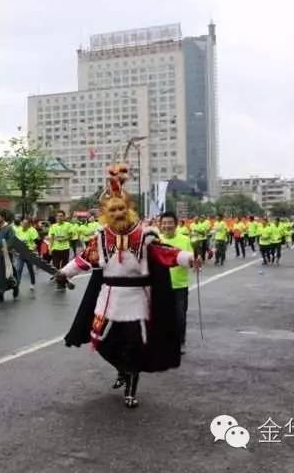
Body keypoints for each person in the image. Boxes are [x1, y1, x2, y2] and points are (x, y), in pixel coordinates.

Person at [59, 163, 197, 408]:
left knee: (134, 346)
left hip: (136, 300)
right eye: (113, 209)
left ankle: (131, 390)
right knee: (101, 342)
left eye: (122, 208)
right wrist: (64, 272)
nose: (118, 213)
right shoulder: (100, 238)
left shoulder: (144, 235)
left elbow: (165, 253)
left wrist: (187, 258)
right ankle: (122, 369)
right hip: (108, 299)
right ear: (106, 213)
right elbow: (84, 260)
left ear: (129, 209)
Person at [160, 211, 193, 349]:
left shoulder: (184, 240)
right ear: (160, 224)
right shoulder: (157, 240)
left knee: (180, 316)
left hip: (180, 285)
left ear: (176, 224)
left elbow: (191, 259)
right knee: (163, 316)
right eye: (164, 223)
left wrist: (195, 262)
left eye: (170, 223)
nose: (167, 226)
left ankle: (180, 341)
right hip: (162, 285)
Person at [0, 212, 19, 302]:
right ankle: (0, 294)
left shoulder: (9, 228)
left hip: (5, 255)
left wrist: (6, 248)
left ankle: (15, 286)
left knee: (8, 274)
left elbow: (12, 240)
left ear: (3, 218)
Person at [48, 211, 73, 291]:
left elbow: (70, 235)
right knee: (56, 267)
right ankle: (60, 284)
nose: (59, 217)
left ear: (64, 217)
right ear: (56, 217)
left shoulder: (68, 225)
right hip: (56, 249)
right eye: (58, 216)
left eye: (61, 216)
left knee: (64, 268)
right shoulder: (53, 226)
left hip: (65, 248)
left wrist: (63, 239)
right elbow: (51, 238)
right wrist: (50, 248)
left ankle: (63, 284)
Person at [14, 218, 39, 290]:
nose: (23, 225)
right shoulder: (18, 231)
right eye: (23, 223)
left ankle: (32, 283)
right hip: (21, 253)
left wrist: (34, 247)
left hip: (29, 253)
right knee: (19, 269)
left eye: (25, 223)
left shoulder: (32, 231)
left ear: (29, 225)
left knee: (30, 269)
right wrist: (15, 250)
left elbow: (37, 241)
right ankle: (17, 285)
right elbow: (15, 241)